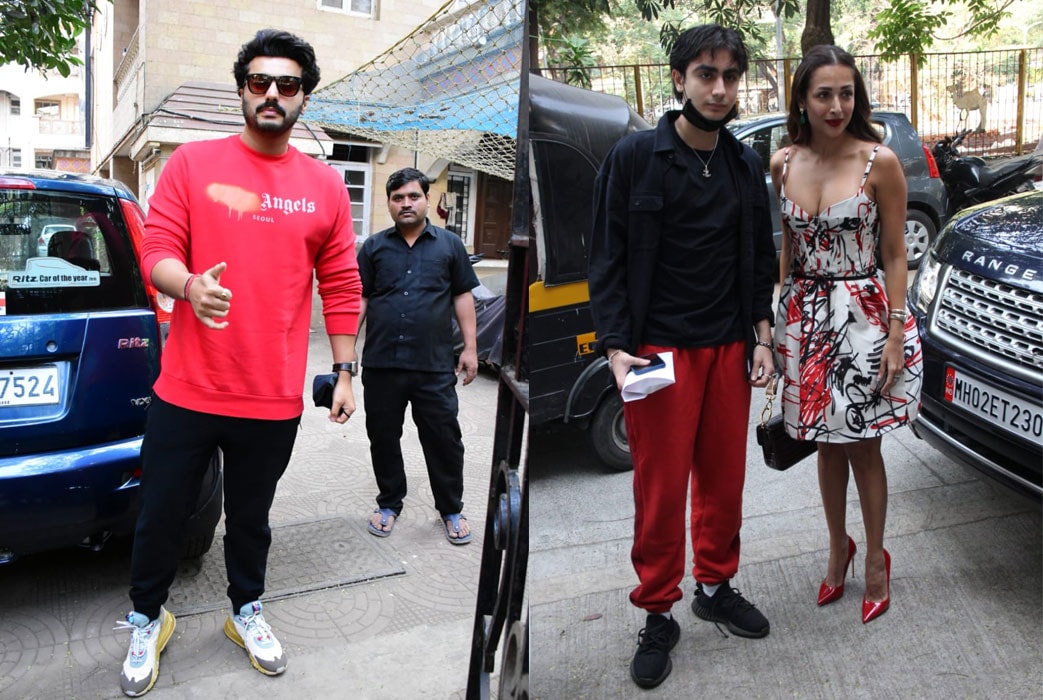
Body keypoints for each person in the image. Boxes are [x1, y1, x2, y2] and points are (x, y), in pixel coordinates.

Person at [116, 29, 362, 697]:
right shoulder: (193, 165)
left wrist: (344, 373)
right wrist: (189, 285)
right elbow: (155, 248)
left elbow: (340, 283)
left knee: (251, 518)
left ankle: (245, 610)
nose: (272, 94)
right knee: (161, 513)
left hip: (270, 397)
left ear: (303, 97)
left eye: (286, 84)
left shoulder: (325, 188)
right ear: (242, 91)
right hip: (187, 390)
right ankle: (147, 618)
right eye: (259, 82)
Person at [589, 24, 777, 690]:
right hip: (655, 354)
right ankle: (657, 611)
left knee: (724, 482)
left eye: (729, 76)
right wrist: (615, 346)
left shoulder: (744, 165)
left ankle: (715, 586)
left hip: (727, 347)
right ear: (678, 79)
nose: (719, 88)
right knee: (660, 491)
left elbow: (759, 258)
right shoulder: (635, 158)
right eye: (705, 74)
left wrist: (761, 336)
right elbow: (606, 257)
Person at [768, 44, 922, 625]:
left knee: (863, 444)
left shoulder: (877, 161)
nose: (836, 105)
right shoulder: (782, 162)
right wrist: (778, 313)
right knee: (823, 445)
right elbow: (788, 245)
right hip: (805, 316)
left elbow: (894, 251)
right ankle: (839, 550)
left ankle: (876, 562)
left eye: (846, 93)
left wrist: (897, 330)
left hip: (863, 313)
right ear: (802, 101)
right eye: (823, 94)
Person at [356, 168, 479, 545]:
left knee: (444, 438)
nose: (406, 203)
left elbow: (462, 296)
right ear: (389, 203)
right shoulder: (373, 248)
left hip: (433, 364)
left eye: (413, 196)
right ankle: (390, 503)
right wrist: (343, 356)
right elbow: (360, 298)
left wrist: (471, 348)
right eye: (398, 198)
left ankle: (450, 509)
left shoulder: (450, 246)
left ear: (427, 198)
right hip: (382, 364)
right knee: (383, 437)